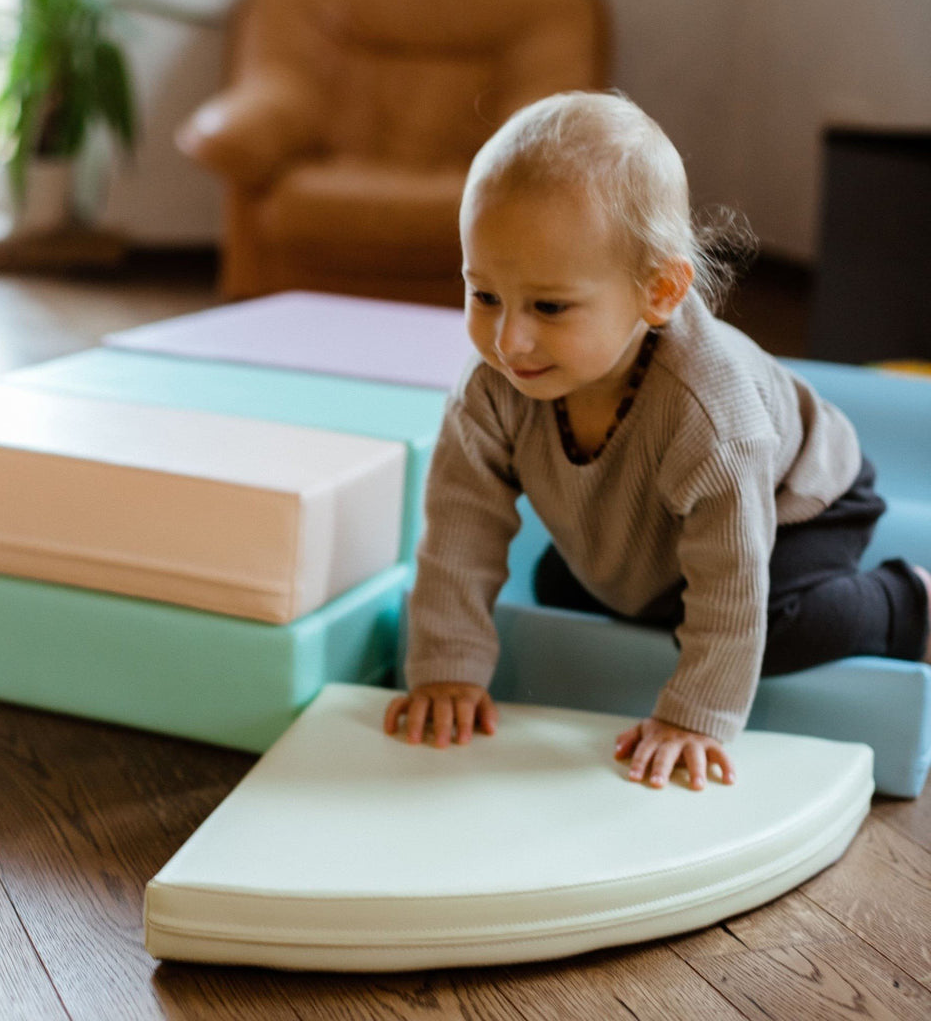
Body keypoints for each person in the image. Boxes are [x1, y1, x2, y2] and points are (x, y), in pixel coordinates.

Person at [384, 91, 931, 789]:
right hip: (654, 520)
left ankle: (907, 599)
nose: (508, 339)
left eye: (549, 306)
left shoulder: (709, 411)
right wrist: (447, 668)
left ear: (662, 291)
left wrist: (695, 714)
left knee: (778, 626)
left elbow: (731, 576)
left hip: (797, 499)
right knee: (560, 583)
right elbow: (460, 524)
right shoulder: (492, 384)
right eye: (483, 294)